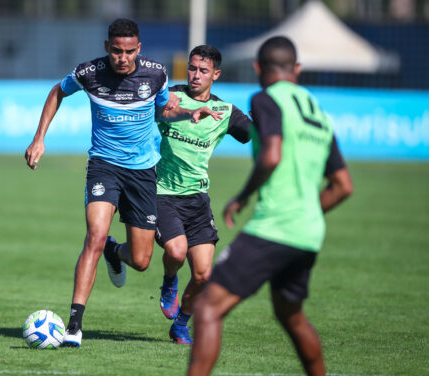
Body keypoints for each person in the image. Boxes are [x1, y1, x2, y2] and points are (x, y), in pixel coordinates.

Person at [24, 18, 221, 348]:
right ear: (107, 48)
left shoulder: (156, 74)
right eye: (116, 50)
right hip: (104, 166)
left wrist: (188, 113)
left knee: (142, 261)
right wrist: (38, 138)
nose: (123, 57)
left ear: (138, 49)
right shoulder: (89, 73)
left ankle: (116, 252)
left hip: (143, 173)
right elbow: (57, 91)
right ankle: (74, 325)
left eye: (129, 51)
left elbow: (163, 112)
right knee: (95, 236)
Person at [187, 36, 354, 376]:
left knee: (206, 310)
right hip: (308, 234)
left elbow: (271, 154)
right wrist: (306, 212)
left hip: (274, 228)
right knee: (291, 316)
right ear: (298, 70)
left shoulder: (266, 99)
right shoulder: (318, 114)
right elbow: (343, 187)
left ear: (258, 68)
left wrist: (243, 196)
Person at [154, 45, 251, 345]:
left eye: (203, 71)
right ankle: (170, 280)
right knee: (176, 253)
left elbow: (252, 134)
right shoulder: (170, 96)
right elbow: (147, 108)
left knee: (204, 275)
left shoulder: (225, 111)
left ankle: (181, 325)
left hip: (198, 199)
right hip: (162, 193)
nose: (195, 75)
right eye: (192, 68)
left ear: (216, 75)